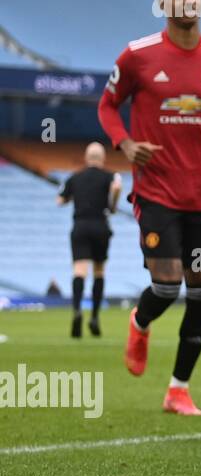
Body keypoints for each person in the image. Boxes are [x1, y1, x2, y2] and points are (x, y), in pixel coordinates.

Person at [97, 0, 201, 416]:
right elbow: (108, 106)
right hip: (157, 191)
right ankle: (140, 321)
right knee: (166, 287)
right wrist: (125, 143)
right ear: (162, 4)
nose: (187, 1)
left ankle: (178, 389)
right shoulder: (137, 57)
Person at [57, 142, 121, 337]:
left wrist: (71, 198)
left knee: (79, 270)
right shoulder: (110, 175)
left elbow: (59, 201)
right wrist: (112, 206)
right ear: (102, 159)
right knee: (99, 271)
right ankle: (94, 316)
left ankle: (77, 310)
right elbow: (117, 187)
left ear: (86, 158)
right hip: (100, 225)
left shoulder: (75, 177)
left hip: (80, 226)